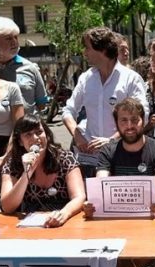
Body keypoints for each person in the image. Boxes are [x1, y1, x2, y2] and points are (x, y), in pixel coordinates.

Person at [62, 27, 148, 177]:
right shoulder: (85, 78)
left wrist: (111, 140)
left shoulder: (130, 79)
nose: (84, 53)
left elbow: (142, 116)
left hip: (123, 157)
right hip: (89, 160)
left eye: (87, 48)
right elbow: (68, 111)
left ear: (102, 50)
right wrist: (77, 136)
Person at [84, 98, 155, 218]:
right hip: (116, 216)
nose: (129, 126)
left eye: (135, 120)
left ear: (144, 121)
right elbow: (101, 183)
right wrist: (94, 203)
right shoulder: (107, 151)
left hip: (149, 215)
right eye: (123, 120)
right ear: (116, 124)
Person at [0, 115, 85, 227]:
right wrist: (27, 173)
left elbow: (79, 197)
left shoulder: (65, 158)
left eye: (39, 132)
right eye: (28, 134)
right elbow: (7, 207)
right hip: (28, 226)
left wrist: (63, 214)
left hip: (64, 222)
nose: (35, 138)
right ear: (20, 141)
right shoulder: (12, 165)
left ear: (47, 135)